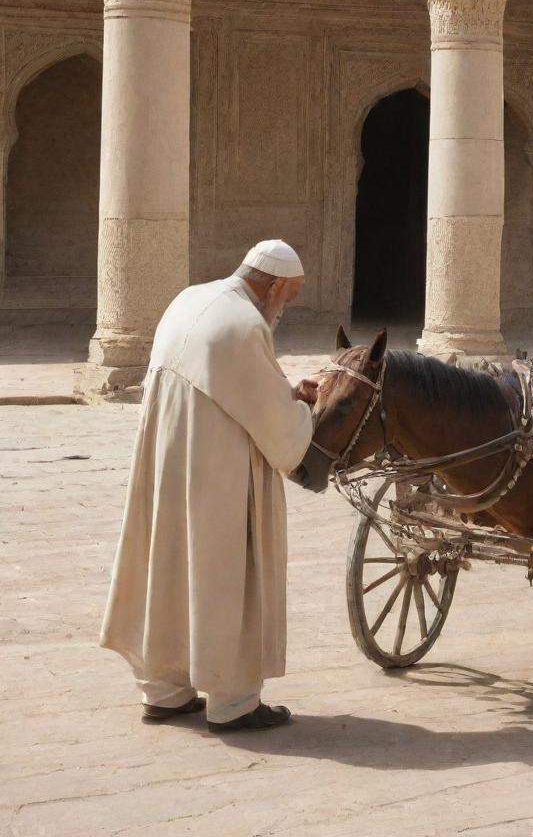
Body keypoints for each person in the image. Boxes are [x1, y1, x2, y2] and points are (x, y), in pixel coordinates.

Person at [100, 240, 314, 732]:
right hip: (217, 471)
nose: (286, 307)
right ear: (275, 285)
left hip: (169, 463)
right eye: (290, 296)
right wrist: (302, 409)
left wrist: (284, 391)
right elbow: (279, 428)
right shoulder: (244, 325)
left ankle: (166, 691)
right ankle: (234, 702)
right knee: (225, 571)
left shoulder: (191, 299)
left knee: (167, 566)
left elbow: (232, 383)